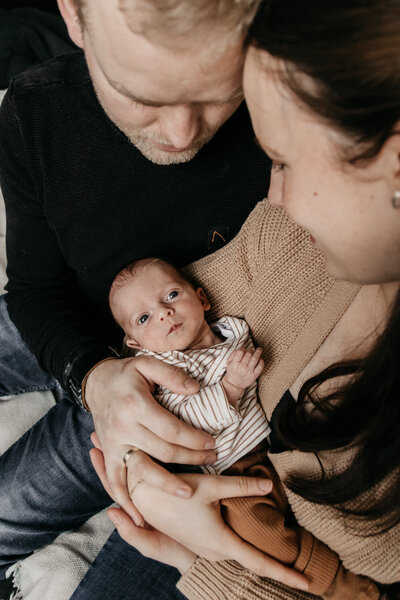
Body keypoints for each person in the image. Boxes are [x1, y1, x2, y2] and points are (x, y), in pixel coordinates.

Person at [79, 1, 399, 599]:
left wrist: (195, 558)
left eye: (282, 159)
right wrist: (101, 380)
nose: (270, 196)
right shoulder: (290, 241)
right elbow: (154, 312)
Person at [0, 0, 314, 592]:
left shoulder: (298, 95)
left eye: (220, 91)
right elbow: (36, 290)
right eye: (142, 94)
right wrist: (94, 377)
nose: (180, 135)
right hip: (81, 329)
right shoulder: (35, 112)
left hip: (188, 394)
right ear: (75, 17)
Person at [108, 256, 380, 600]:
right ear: (137, 346)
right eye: (144, 318)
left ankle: (362, 555)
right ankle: (336, 584)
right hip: (226, 475)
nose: (163, 313)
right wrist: (231, 388)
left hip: (273, 450)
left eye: (172, 295)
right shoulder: (162, 376)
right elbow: (186, 423)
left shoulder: (235, 331)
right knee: (258, 530)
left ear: (202, 299)